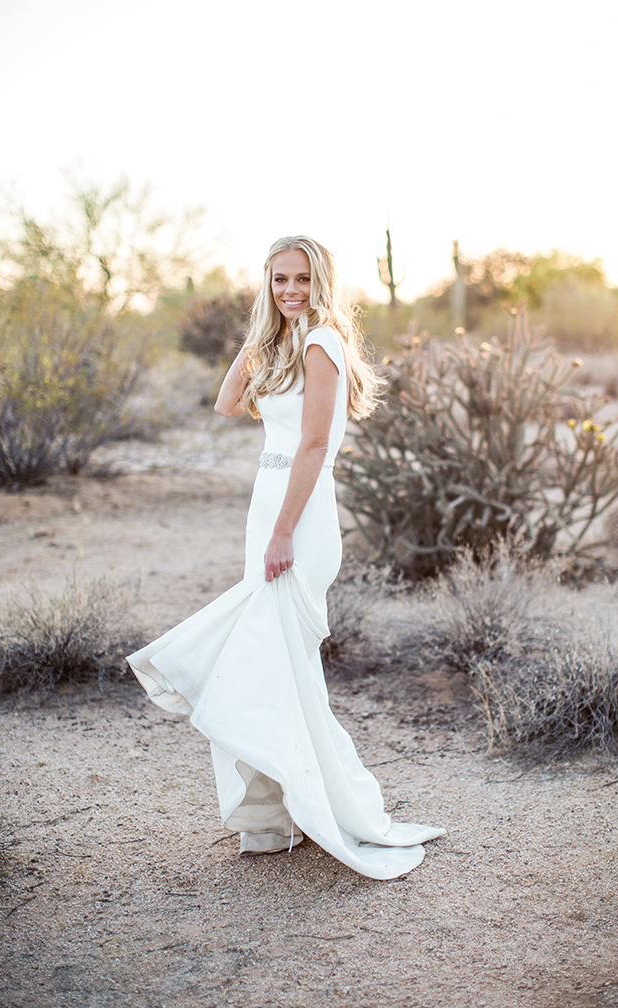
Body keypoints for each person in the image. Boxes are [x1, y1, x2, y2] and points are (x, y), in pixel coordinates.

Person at [127, 236, 445, 879]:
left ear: (322, 282)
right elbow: (226, 402)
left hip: (297, 518)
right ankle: (277, 819)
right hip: (267, 509)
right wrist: (263, 332)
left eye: (302, 279)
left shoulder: (325, 342)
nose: (291, 290)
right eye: (279, 280)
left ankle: (304, 811)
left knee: (272, 661)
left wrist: (282, 534)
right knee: (280, 671)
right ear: (266, 285)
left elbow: (315, 444)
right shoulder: (281, 343)